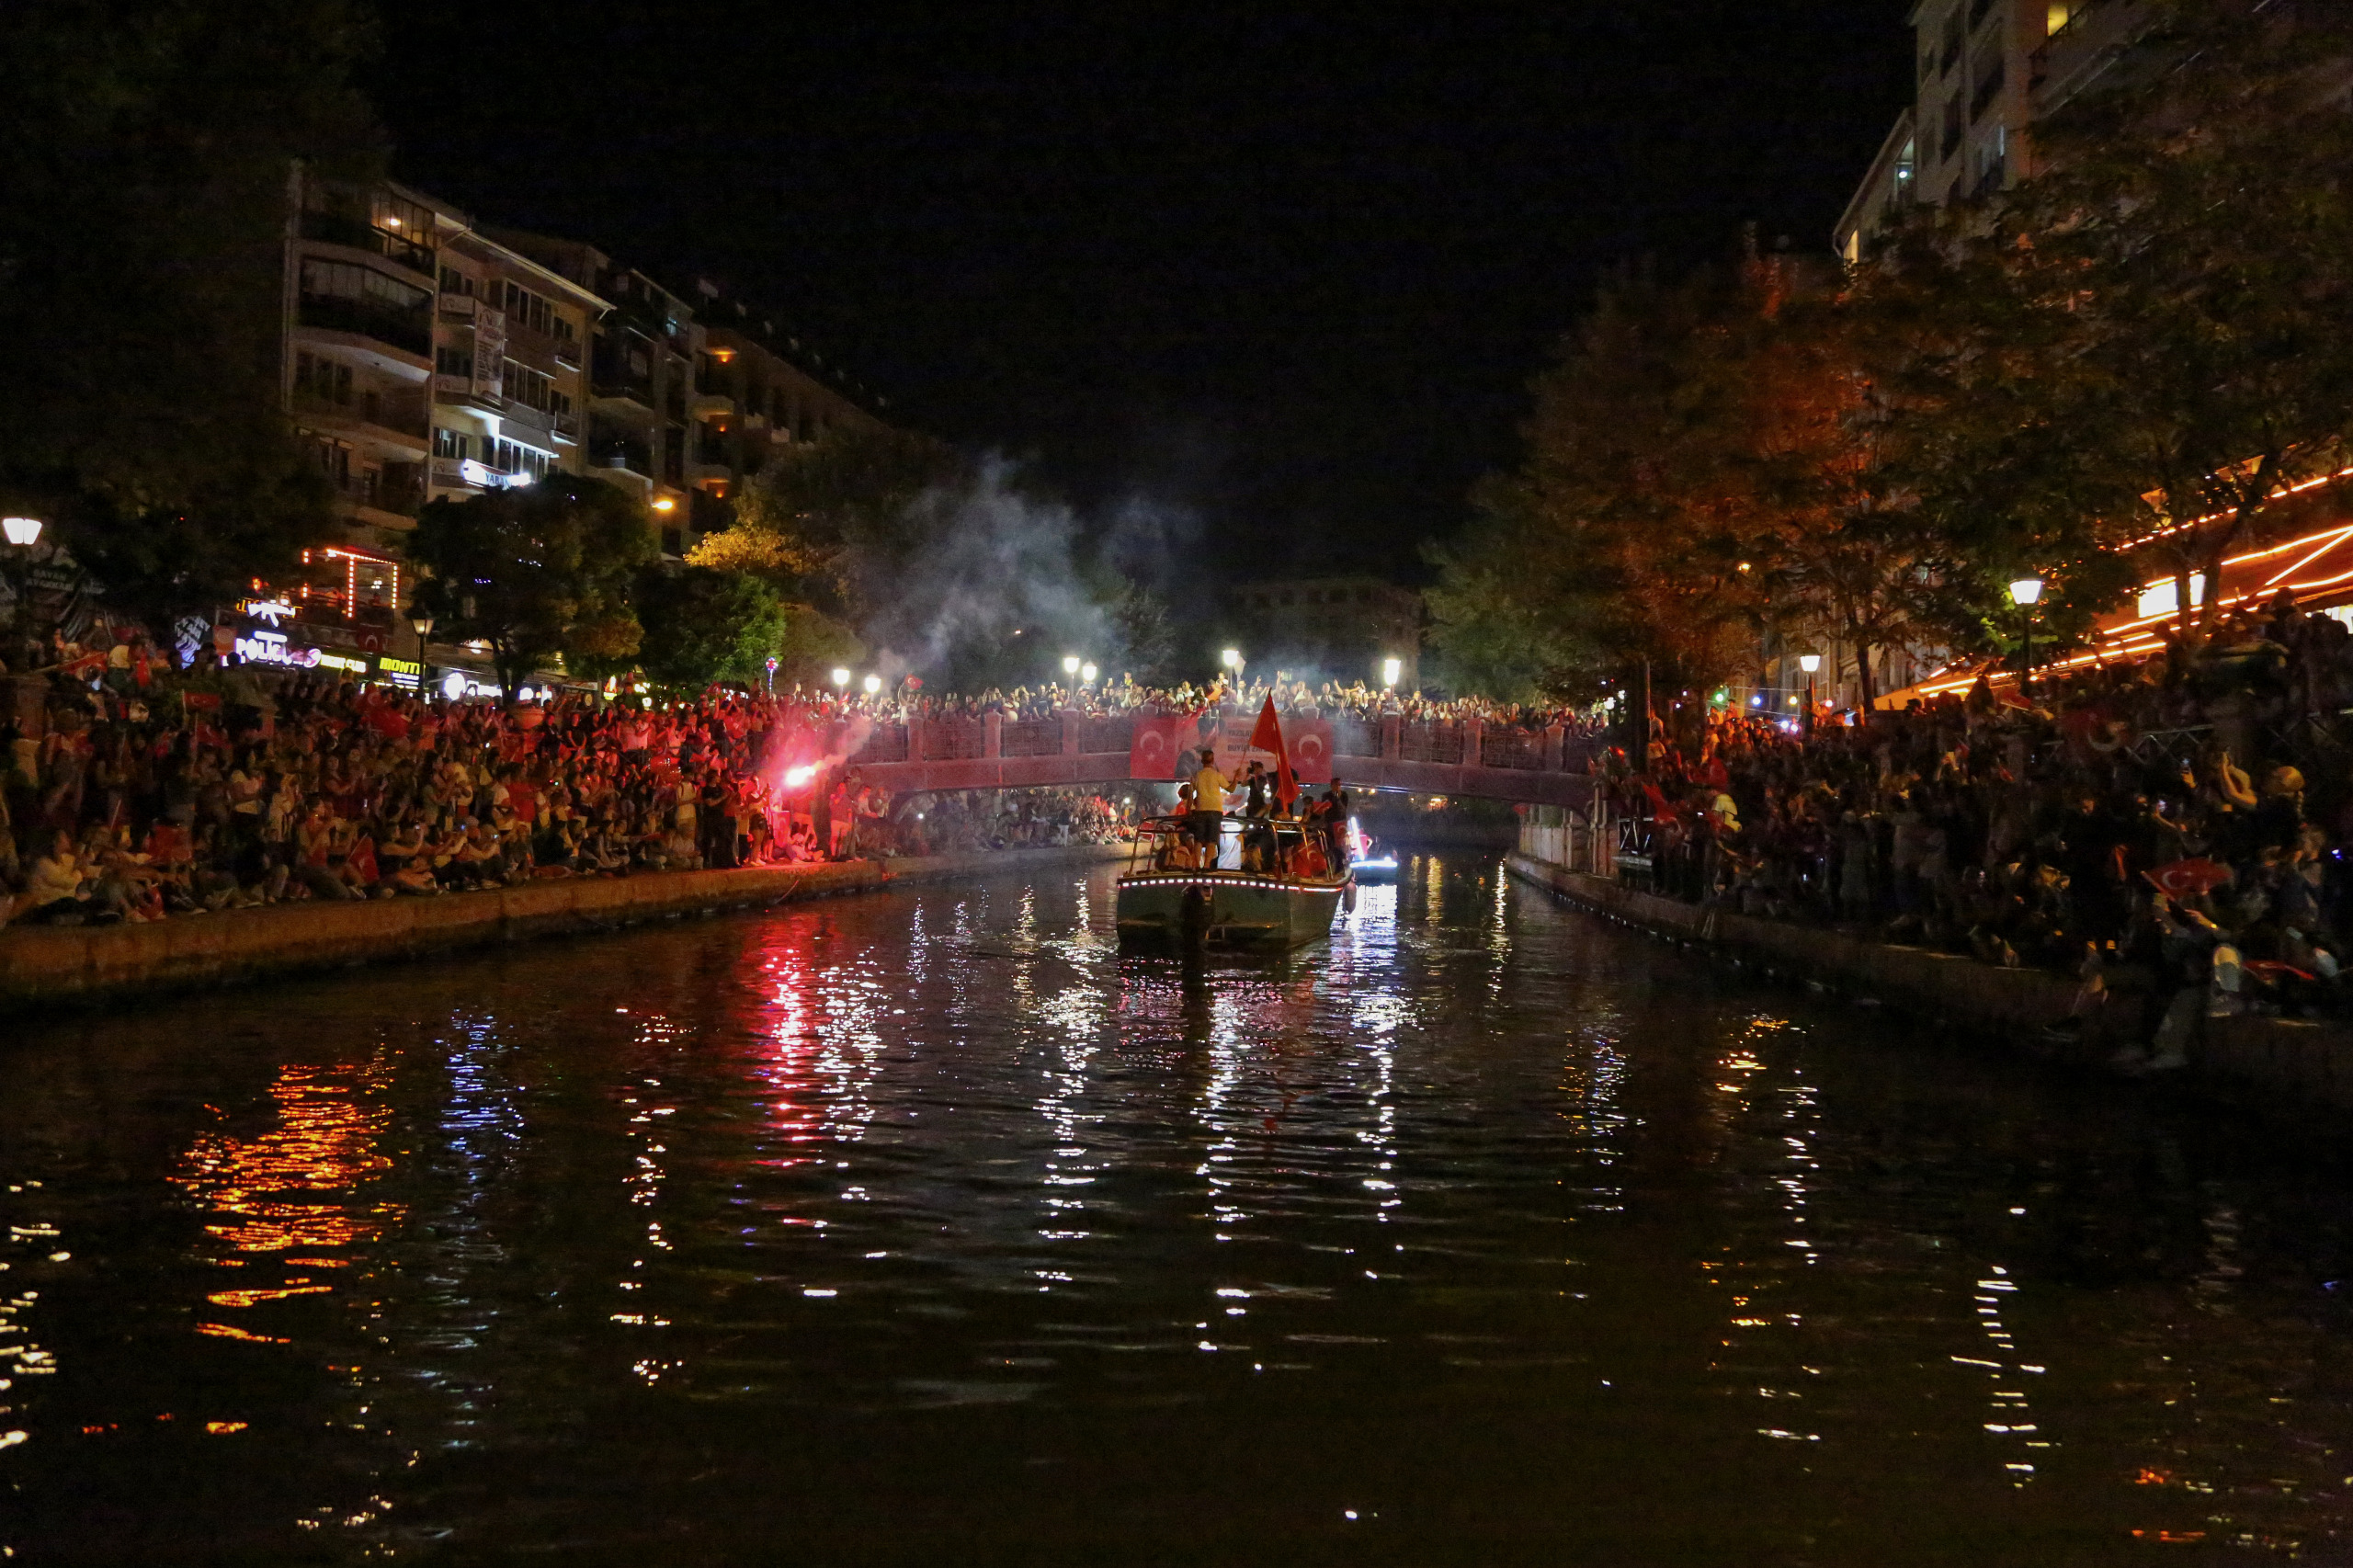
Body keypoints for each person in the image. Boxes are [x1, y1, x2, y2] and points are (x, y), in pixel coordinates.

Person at [1190, 748, 1231, 861]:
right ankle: (1207, 864)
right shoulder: (1217, 775)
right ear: (1213, 760)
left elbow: (1190, 793)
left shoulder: (1197, 775)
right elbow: (1231, 789)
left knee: (1198, 839)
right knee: (1211, 840)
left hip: (1200, 809)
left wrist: (1189, 808)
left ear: (1202, 761)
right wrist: (1236, 777)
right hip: (1215, 810)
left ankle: (1197, 864)